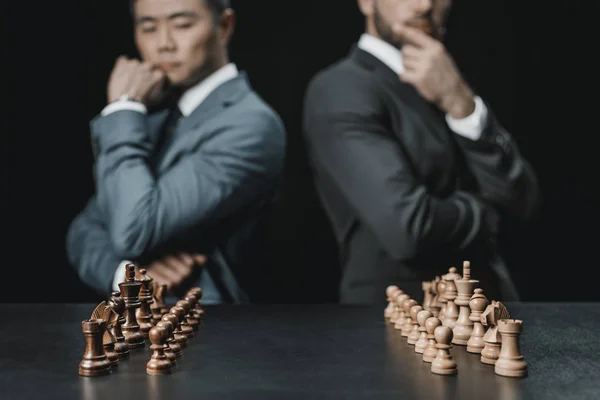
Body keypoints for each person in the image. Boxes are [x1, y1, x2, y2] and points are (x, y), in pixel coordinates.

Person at [302, 0, 539, 304]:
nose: (424, 4)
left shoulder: (453, 77)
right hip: (399, 327)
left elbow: (524, 199)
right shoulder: (340, 89)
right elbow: (410, 229)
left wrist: (459, 101)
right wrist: (491, 214)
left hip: (493, 318)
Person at [66, 0, 286, 304]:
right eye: (148, 27)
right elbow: (83, 230)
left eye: (182, 25)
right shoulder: (152, 118)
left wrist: (123, 106)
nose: (164, 44)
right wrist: (129, 277)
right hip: (150, 329)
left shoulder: (249, 124)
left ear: (224, 26)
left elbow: (132, 229)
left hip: (217, 333)